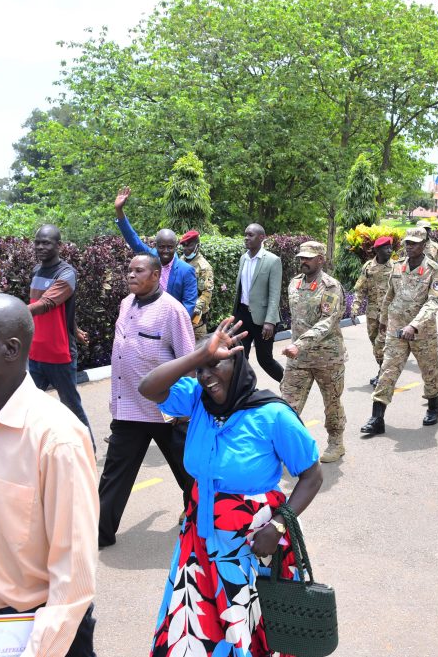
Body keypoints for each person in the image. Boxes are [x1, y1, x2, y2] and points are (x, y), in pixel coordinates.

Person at [138, 318, 322, 657]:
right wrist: (197, 358)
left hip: (253, 544)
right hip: (198, 538)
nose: (206, 377)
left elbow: (312, 476)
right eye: (200, 370)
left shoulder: (273, 415)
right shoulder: (197, 400)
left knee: (246, 626)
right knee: (195, 627)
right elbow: (148, 388)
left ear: (237, 363)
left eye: (214, 365)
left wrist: (279, 525)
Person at [0, 294, 99, 656]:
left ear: (11, 350)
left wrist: (39, 649)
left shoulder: (57, 438)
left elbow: (73, 574)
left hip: (40, 628)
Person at [98, 254, 196, 549]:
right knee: (114, 475)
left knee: (189, 472)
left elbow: (188, 362)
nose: (131, 275)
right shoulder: (126, 304)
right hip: (128, 407)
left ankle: (201, 521)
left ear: (156, 275)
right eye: (128, 270)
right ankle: (99, 532)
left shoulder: (172, 311)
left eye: (138, 270)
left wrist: (187, 411)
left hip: (167, 410)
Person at [361, 227, 438, 436]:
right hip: (396, 328)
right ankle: (377, 418)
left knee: (430, 371)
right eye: (407, 242)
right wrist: (383, 320)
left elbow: (433, 302)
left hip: (422, 331)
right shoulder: (397, 267)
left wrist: (414, 325)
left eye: (414, 243)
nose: (409, 246)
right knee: (388, 370)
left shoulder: (434, 270)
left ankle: (434, 407)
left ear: (424, 245)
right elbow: (390, 295)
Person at [280, 241, 348, 463]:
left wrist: (299, 344)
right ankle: (285, 447)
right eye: (301, 257)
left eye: (308, 258)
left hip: (327, 357)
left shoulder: (330, 286)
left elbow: (328, 321)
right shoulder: (294, 284)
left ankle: (336, 442)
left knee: (332, 402)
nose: (303, 261)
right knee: (287, 405)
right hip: (298, 358)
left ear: (321, 259)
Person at [26, 225, 93, 445]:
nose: (40, 247)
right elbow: (62, 309)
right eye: (37, 242)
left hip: (60, 354)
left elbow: (48, 303)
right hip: (35, 352)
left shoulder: (66, 273)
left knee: (71, 405)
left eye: (46, 242)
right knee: (27, 405)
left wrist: (13, 311)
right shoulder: (36, 271)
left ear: (59, 246)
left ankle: (87, 450)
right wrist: (76, 329)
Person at [113, 186, 199, 316]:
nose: (165, 251)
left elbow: (189, 304)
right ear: (155, 245)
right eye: (161, 247)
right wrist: (119, 210)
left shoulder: (186, 271)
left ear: (175, 246)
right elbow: (132, 238)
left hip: (171, 323)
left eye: (169, 247)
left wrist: (175, 326)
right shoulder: (150, 258)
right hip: (147, 318)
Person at [234, 223, 285, 383]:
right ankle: (245, 391)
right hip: (242, 315)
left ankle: (289, 386)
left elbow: (274, 293)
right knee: (239, 358)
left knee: (265, 360)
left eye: (250, 235)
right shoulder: (244, 258)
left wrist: (269, 320)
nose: (246, 238)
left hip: (263, 319)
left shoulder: (272, 261)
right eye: (246, 234)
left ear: (261, 237)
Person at [352, 236, 394, 385]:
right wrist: (355, 307)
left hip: (388, 315)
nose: (389, 250)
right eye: (385, 248)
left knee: (381, 346)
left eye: (390, 247)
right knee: (374, 343)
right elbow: (360, 289)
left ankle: (384, 377)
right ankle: (382, 372)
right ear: (377, 250)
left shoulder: (395, 267)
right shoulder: (368, 267)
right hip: (372, 314)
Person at [178, 229, 215, 340]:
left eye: (189, 245)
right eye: (184, 245)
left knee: (197, 352)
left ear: (197, 246)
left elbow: (206, 294)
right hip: (179, 314)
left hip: (196, 320)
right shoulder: (180, 261)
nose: (185, 249)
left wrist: (192, 312)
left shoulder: (204, 267)